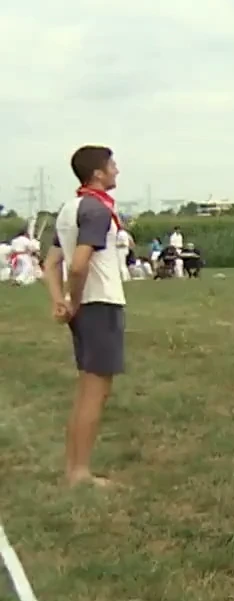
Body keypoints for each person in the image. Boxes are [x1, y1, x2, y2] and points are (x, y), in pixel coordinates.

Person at [44, 145, 128, 487]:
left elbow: (50, 263)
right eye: (112, 165)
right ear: (97, 173)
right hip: (99, 304)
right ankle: (79, 472)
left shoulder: (69, 209)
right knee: (96, 392)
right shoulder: (95, 210)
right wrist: (73, 300)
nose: (116, 171)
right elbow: (77, 265)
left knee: (86, 391)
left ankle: (75, 468)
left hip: (87, 307)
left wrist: (58, 301)